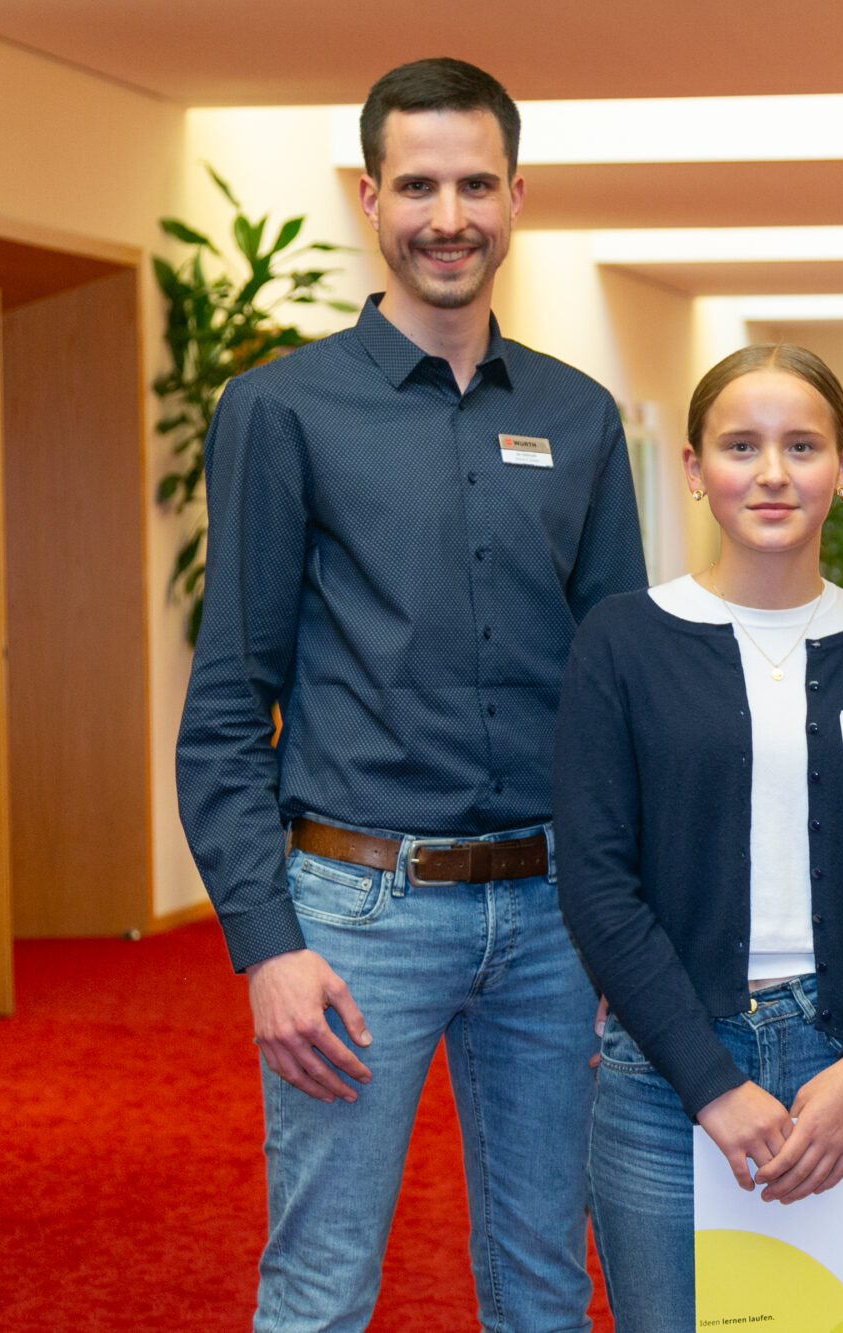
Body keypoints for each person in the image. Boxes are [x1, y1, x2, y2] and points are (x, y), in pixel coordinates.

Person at [175, 58, 646, 1333]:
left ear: (516, 197)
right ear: (371, 197)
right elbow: (229, 700)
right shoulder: (280, 409)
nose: (450, 217)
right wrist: (268, 945)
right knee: (321, 1287)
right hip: (354, 916)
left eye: (476, 185)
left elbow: (617, 694)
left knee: (546, 1285)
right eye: (420, 186)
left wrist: (626, 917)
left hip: (551, 918)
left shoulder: (578, 416)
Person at [554, 345, 843, 1333]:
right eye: (740, 446)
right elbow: (596, 883)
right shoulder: (621, 640)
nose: (772, 473)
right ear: (692, 467)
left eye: (801, 446)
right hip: (664, 1068)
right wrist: (710, 1083)